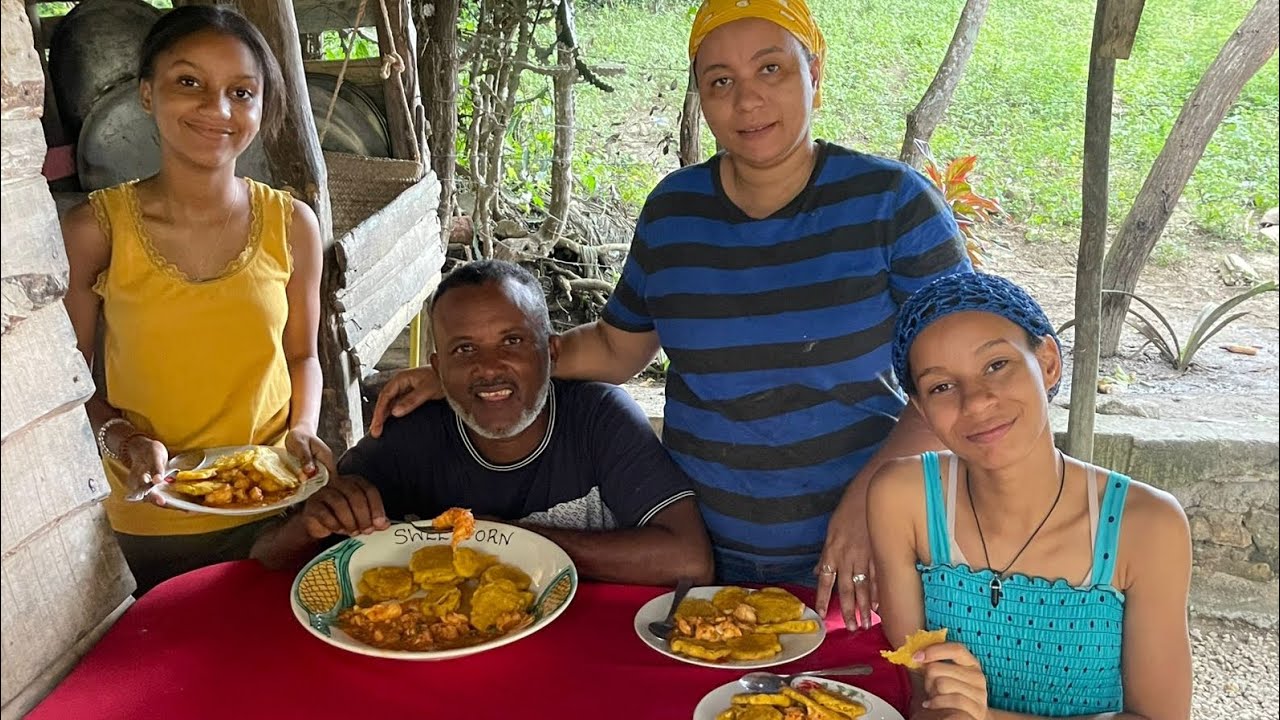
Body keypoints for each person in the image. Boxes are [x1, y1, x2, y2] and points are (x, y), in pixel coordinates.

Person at [370, 0, 971, 628]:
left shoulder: (893, 205)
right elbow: (615, 349)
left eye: (772, 69)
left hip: (863, 558)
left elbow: (959, 378)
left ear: (814, 75)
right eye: (720, 81)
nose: (747, 100)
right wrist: (472, 373)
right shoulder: (675, 212)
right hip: (709, 558)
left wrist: (873, 498)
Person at [60, 6, 332, 595]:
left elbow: (303, 357)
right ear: (146, 93)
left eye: (242, 91)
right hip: (153, 515)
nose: (218, 109)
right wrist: (123, 440)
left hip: (277, 504)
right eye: (189, 83)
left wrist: (303, 431)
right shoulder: (97, 230)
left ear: (263, 109)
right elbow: (71, 387)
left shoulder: (293, 226)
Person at [253, 260, 715, 586]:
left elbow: (690, 562)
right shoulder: (408, 436)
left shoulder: (599, 419)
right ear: (437, 367)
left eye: (512, 341)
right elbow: (266, 557)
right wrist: (310, 522)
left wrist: (507, 540)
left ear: (550, 351)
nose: (489, 367)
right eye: (465, 350)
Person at [866, 273, 1192, 719]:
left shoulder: (1146, 526)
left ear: (1049, 362)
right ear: (922, 410)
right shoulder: (905, 502)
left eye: (997, 365)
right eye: (942, 386)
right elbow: (927, 697)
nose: (977, 402)